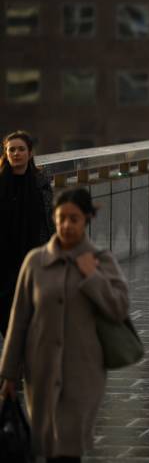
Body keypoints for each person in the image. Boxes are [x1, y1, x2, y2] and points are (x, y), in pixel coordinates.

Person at [0, 187, 130, 463]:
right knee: (47, 446)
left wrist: (92, 276)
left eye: (74, 219)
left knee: (68, 448)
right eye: (61, 218)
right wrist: (9, 373)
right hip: (41, 369)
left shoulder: (100, 260)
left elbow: (119, 308)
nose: (66, 225)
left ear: (86, 220)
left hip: (82, 370)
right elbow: (19, 318)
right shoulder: (35, 262)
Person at [0, 130, 54, 336]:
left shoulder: (41, 184)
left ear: (30, 153)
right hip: (4, 259)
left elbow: (49, 221)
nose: (16, 153)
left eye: (21, 149)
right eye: (11, 149)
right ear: (5, 153)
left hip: (33, 255)